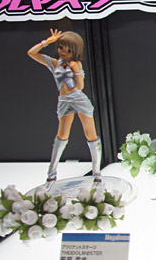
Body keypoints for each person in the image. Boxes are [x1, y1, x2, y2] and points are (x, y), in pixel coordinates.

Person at [27, 29, 102, 188]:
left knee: (91, 135)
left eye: (68, 50)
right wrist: (47, 42)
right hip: (64, 101)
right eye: (61, 47)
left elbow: (80, 86)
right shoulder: (55, 63)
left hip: (78, 99)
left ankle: (97, 175)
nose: (63, 52)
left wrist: (76, 71)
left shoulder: (76, 64)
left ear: (75, 51)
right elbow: (31, 53)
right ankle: (51, 175)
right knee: (61, 137)